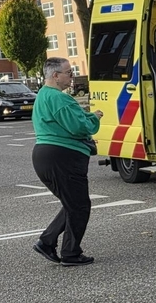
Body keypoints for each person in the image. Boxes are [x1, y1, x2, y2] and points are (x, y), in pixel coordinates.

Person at [31, 57, 103, 267]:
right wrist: (94, 117)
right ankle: (70, 252)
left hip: (45, 155)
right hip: (63, 158)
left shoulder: (42, 95)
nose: (71, 77)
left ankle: (47, 242)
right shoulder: (59, 98)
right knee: (79, 206)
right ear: (55, 75)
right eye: (68, 73)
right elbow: (79, 126)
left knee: (72, 204)